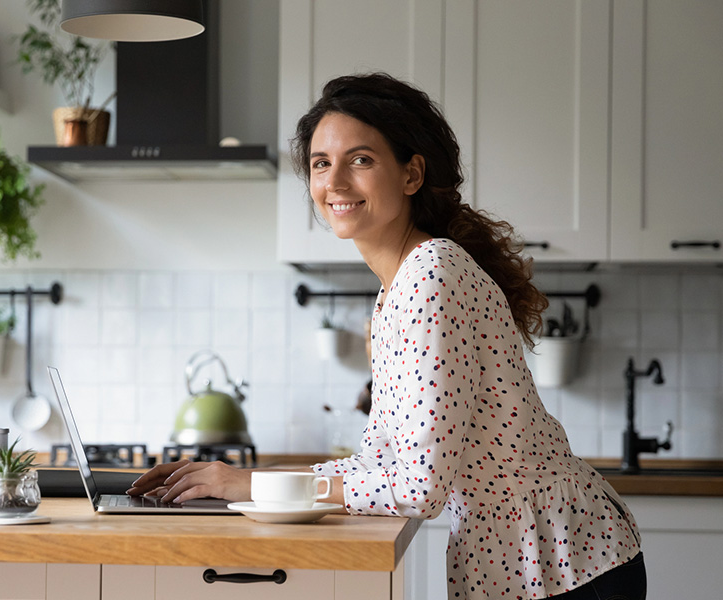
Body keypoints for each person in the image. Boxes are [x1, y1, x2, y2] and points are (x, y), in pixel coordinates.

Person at [127, 72, 646, 600]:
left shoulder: (432, 275)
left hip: (563, 560)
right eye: (320, 163)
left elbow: (419, 488)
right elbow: (380, 460)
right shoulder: (396, 290)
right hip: (529, 562)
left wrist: (250, 485)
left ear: (412, 174)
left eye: (361, 160)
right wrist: (242, 479)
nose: (335, 183)